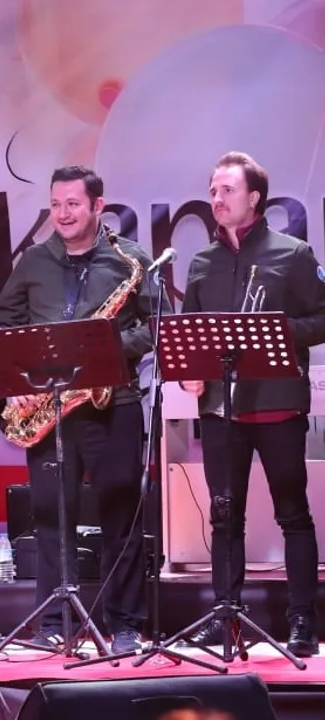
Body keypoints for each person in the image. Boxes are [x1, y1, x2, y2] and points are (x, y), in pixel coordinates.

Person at [0, 165, 159, 654]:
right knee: (50, 517)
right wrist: (16, 385)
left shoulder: (131, 259)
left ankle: (125, 624)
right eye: (55, 204)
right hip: (50, 408)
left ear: (97, 206)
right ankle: (54, 623)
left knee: (121, 516)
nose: (62, 214)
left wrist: (108, 349)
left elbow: (156, 326)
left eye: (72, 204)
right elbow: (5, 327)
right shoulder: (33, 261)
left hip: (113, 402)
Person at [180, 151, 324, 657]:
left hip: (277, 405)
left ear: (254, 197)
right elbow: (189, 331)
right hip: (221, 410)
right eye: (213, 191)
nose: (217, 199)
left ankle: (302, 621)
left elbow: (322, 318)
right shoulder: (202, 261)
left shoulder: (293, 253)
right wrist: (192, 371)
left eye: (228, 190)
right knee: (224, 516)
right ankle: (227, 618)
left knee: (293, 514)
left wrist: (276, 333)